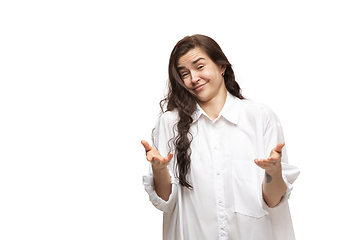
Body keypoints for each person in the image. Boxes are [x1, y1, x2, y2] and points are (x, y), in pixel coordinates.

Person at [141, 34, 300, 240]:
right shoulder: (169, 123)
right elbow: (165, 202)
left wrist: (273, 172)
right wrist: (159, 170)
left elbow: (274, 199)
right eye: (184, 73)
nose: (193, 78)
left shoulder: (259, 117)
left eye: (199, 67)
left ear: (221, 66)